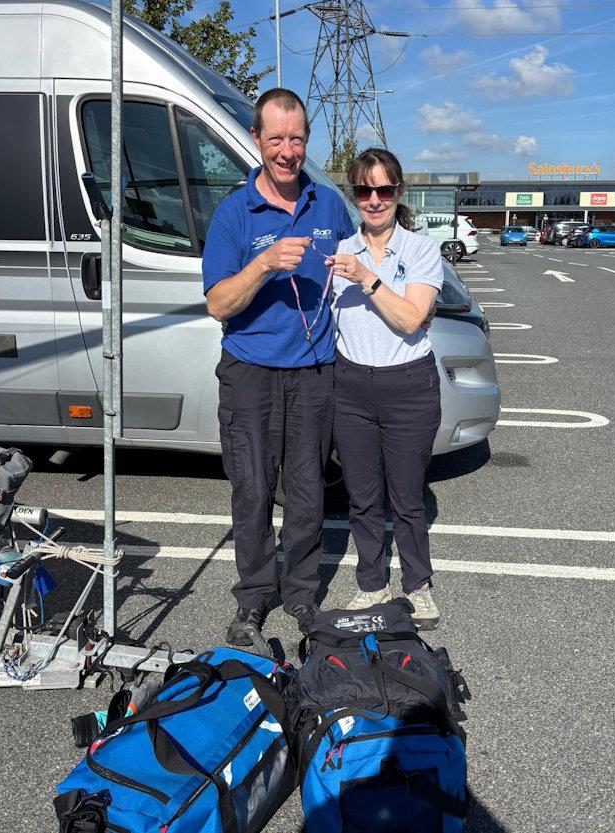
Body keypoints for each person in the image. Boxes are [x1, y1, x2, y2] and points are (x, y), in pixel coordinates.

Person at [202, 88, 354, 645]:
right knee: (252, 489)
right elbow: (218, 303)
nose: (286, 151)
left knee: (309, 490)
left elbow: (359, 265)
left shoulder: (329, 205)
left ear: (305, 141)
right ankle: (254, 597)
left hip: (315, 372)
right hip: (251, 373)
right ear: (256, 140)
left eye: (296, 139)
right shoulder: (233, 214)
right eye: (275, 139)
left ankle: (301, 596)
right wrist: (265, 262)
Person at [326, 148, 444, 629]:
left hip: (409, 385)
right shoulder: (339, 251)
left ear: (399, 193)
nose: (374, 200)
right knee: (362, 495)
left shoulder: (420, 250)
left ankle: (418, 586)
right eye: (363, 190)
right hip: (351, 384)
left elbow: (413, 318)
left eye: (384, 190)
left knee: (407, 495)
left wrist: (368, 279)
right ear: (353, 195)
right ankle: (372, 583)